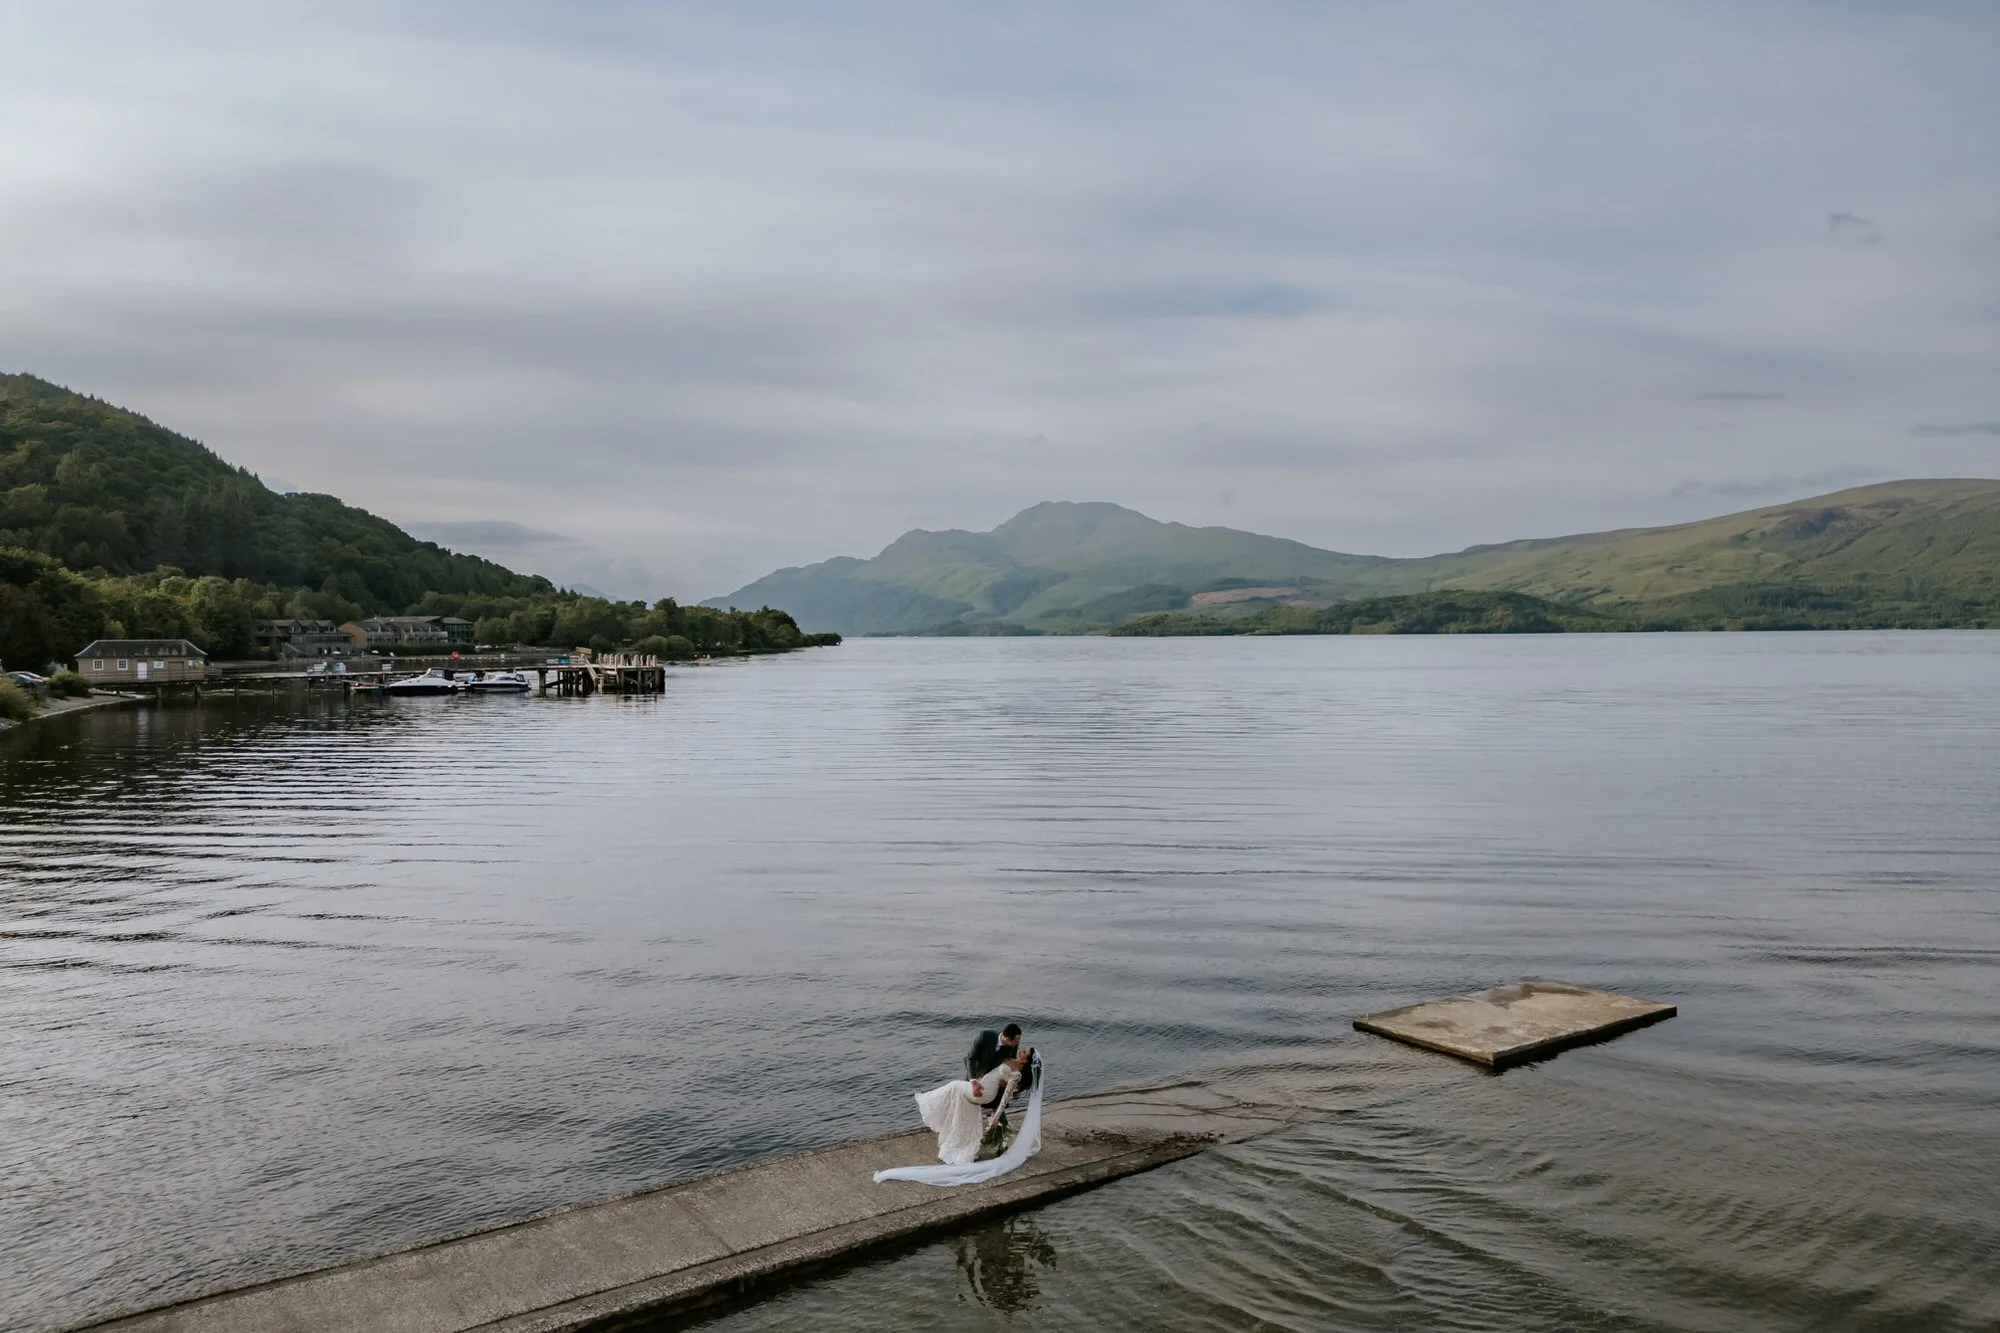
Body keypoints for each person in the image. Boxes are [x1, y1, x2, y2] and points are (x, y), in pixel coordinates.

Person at [913, 1049, 1030, 1166]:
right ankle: (962, 1148)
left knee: (955, 1085)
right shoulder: (1010, 1058)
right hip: (981, 1086)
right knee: (963, 1110)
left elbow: (1006, 1097)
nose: (1022, 1050)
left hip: (986, 1093)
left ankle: (927, 1102)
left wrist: (996, 1117)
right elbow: (993, 1072)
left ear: (1027, 1060)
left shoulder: (1017, 1074)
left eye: (1025, 1052)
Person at [965, 1023, 1035, 1157]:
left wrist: (1006, 1082)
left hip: (996, 1086)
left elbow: (1014, 1068)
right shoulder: (984, 1036)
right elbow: (970, 1058)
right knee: (969, 1112)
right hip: (976, 1080)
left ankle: (1001, 1145)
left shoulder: (1012, 1047)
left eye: (1018, 1043)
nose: (1017, 1045)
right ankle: (971, 1144)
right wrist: (973, 1080)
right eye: (1015, 1041)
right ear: (1007, 1037)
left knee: (999, 1112)